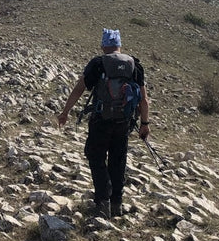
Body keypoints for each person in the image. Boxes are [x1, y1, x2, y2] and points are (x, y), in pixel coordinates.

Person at [57, 28, 150, 218]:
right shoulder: (134, 65)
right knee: (118, 160)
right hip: (124, 121)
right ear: (119, 45)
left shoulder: (98, 64)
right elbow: (144, 100)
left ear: (103, 45)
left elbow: (79, 89)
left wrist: (65, 112)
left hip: (101, 120)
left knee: (96, 156)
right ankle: (117, 204)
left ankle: (102, 203)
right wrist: (145, 124)